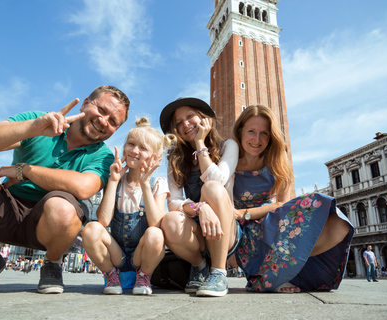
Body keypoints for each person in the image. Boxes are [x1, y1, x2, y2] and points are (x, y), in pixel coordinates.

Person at [0, 85, 130, 293]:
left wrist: (25, 170)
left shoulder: (104, 156)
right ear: (86, 102)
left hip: (52, 222)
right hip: (7, 207)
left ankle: (52, 262)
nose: (104, 121)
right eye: (102, 110)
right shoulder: (40, 120)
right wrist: (30, 128)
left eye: (113, 122)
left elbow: (83, 188)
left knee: (62, 207)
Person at [231, 105, 354, 293]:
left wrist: (243, 213)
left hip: (271, 220)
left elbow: (282, 203)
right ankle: (271, 278)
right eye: (251, 132)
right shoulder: (228, 160)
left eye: (264, 133)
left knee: (339, 223)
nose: (257, 140)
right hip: (243, 232)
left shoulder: (277, 159)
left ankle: (282, 273)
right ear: (240, 131)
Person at [159, 97, 241, 297]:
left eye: (189, 116)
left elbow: (219, 181)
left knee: (211, 188)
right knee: (169, 220)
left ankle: (219, 271)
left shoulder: (228, 146)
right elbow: (174, 202)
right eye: (178, 123)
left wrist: (199, 144)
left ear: (204, 118)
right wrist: (200, 208)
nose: (185, 124)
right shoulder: (175, 159)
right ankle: (200, 266)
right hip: (197, 231)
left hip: (225, 231)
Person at [82, 117, 173, 295]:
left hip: (142, 255)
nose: (134, 150)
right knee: (91, 228)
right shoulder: (116, 179)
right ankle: (111, 275)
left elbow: (155, 224)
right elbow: (103, 220)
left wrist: (145, 184)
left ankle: (144, 276)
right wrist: (113, 181)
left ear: (156, 156)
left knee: (155, 234)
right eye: (131, 144)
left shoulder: (157, 183)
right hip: (117, 255)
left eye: (143, 148)